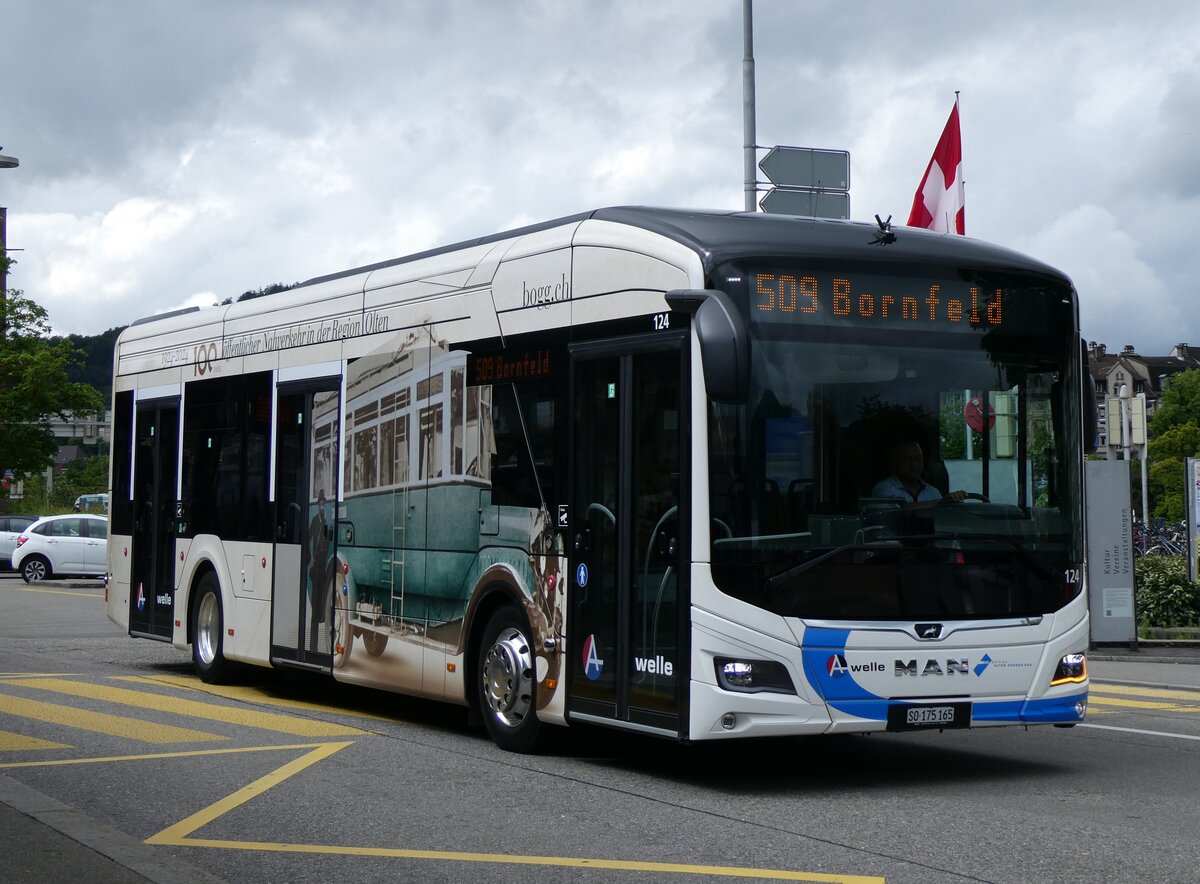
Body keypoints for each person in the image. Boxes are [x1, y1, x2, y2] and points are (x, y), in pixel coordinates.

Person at [871, 440, 966, 506]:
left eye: (917, 459)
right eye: (906, 459)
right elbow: (902, 510)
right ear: (895, 462)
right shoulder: (883, 488)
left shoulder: (933, 492)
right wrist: (942, 503)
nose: (913, 464)